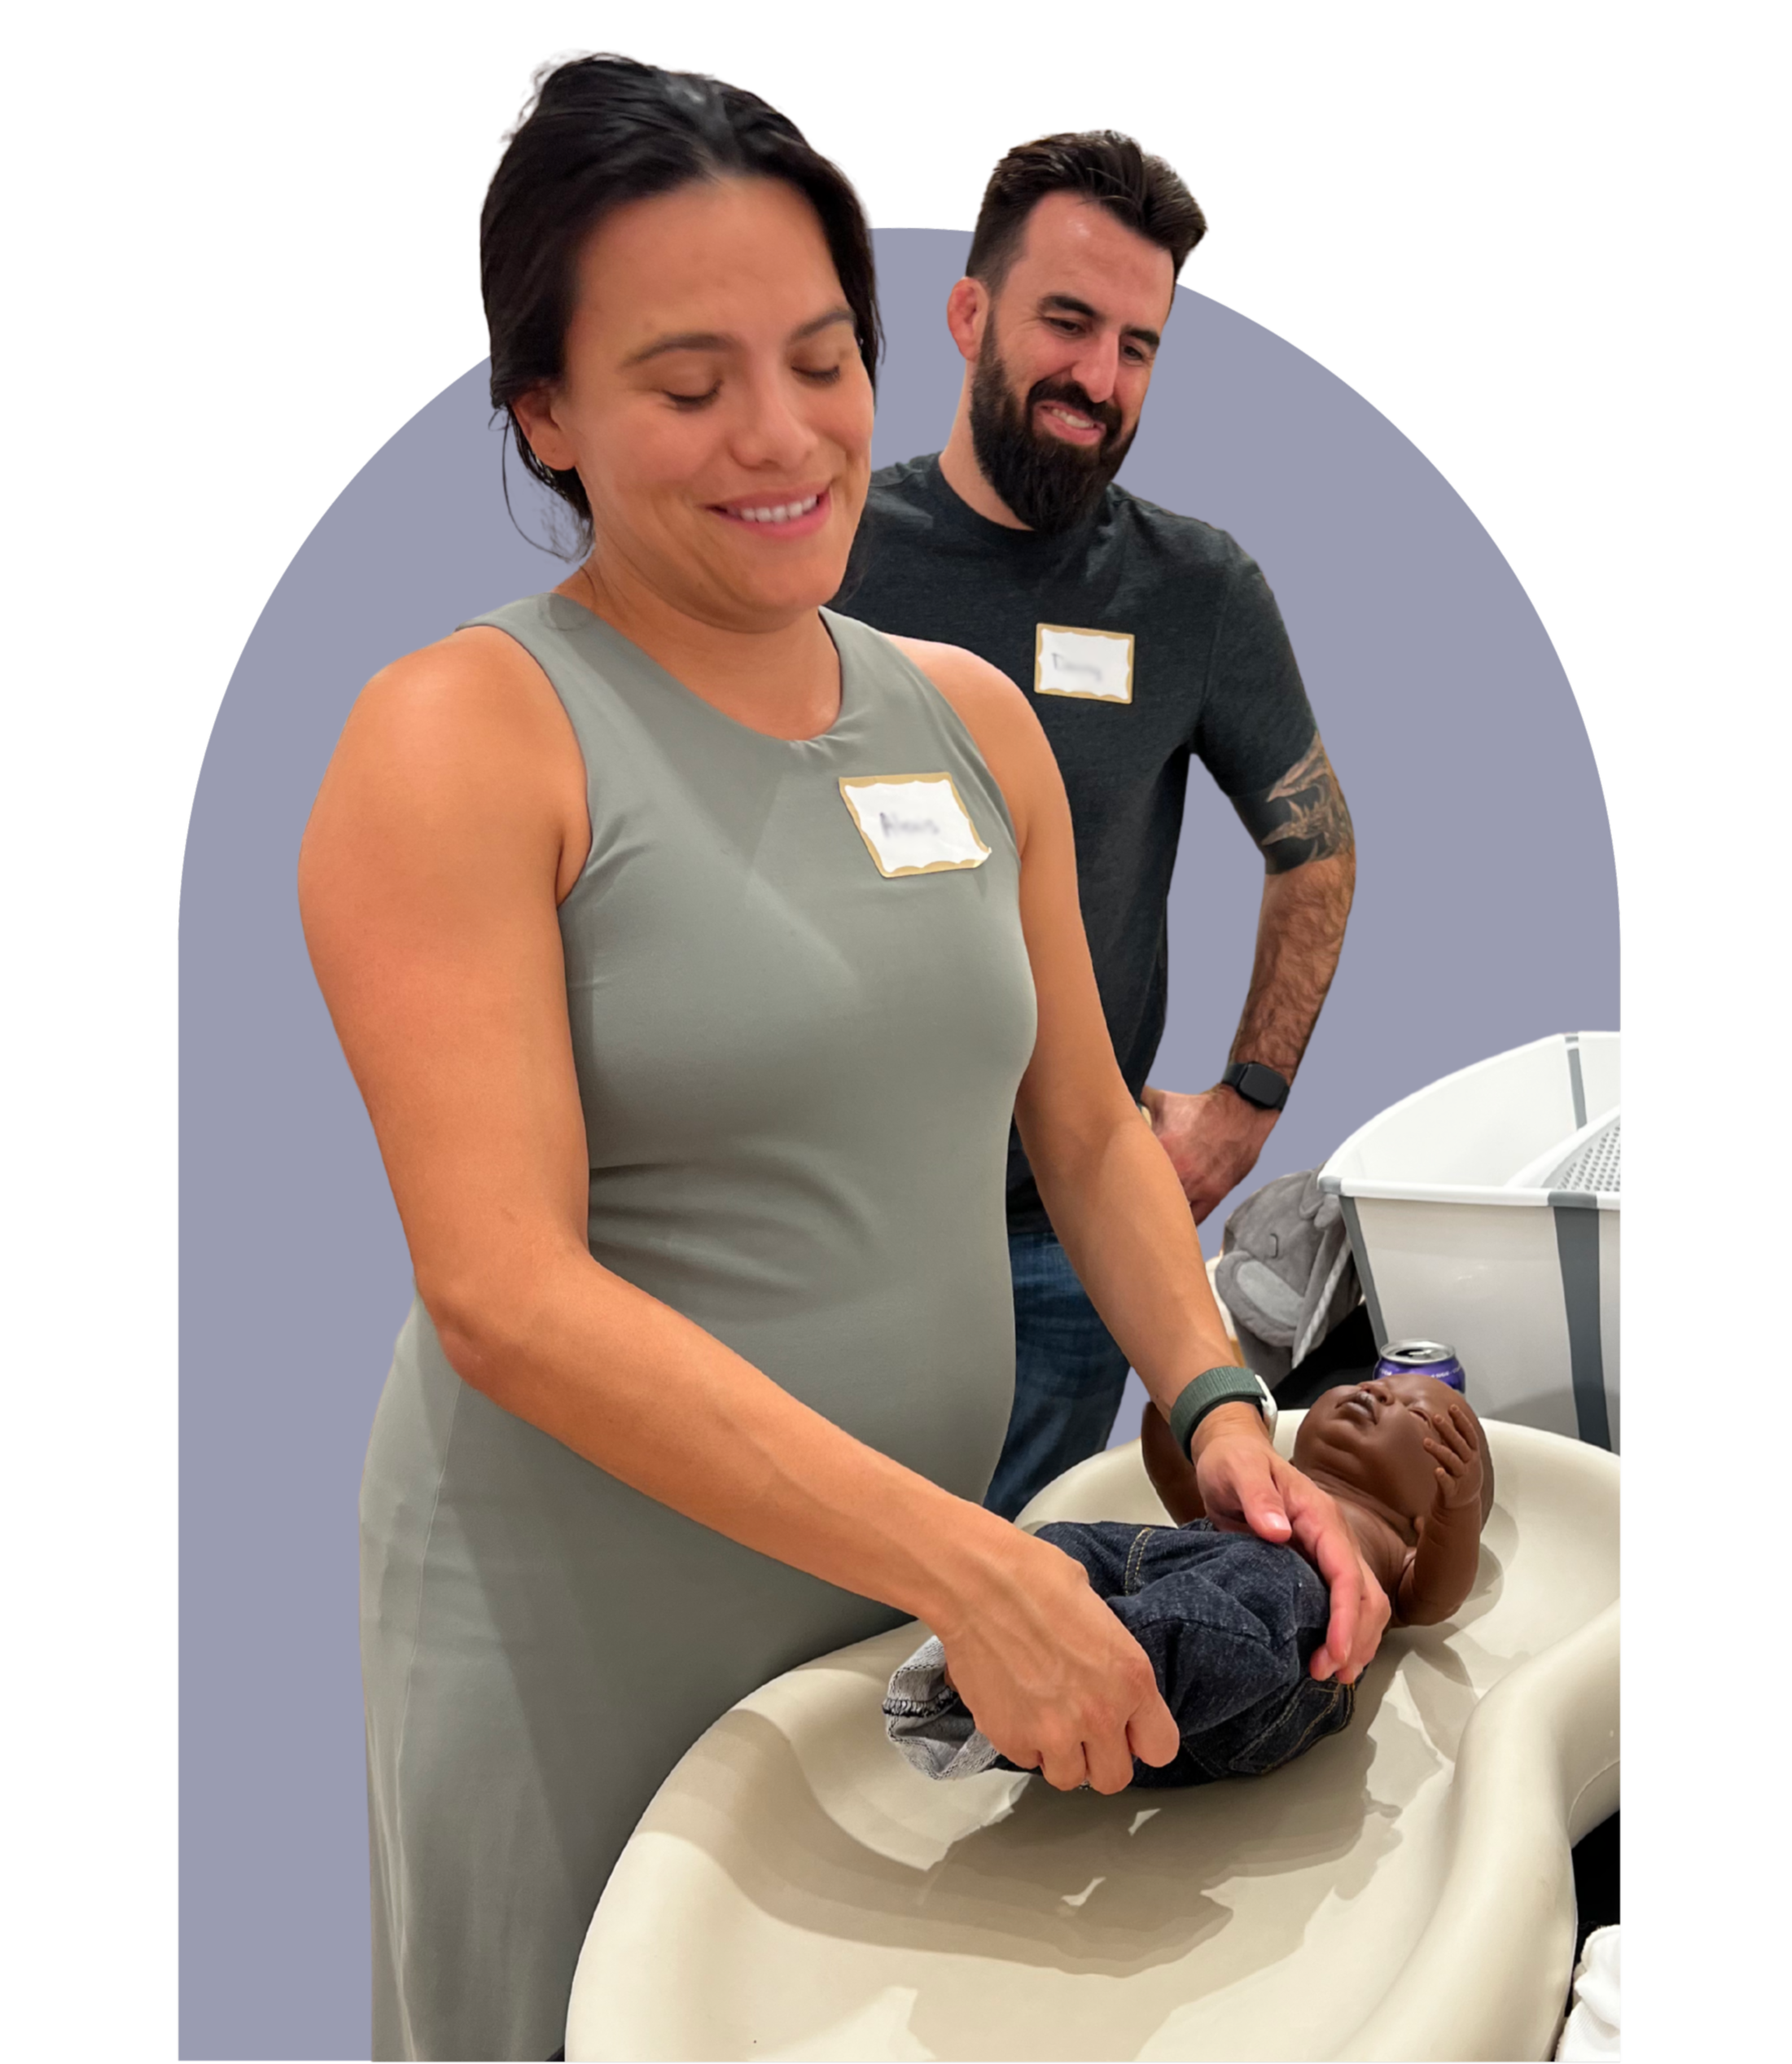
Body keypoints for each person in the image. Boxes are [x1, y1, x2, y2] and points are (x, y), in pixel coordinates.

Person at [296, 55, 1387, 2064]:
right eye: (686, 382)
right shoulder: (462, 734)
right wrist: (974, 1562)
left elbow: (1084, 1127)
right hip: (586, 1619)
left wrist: (1218, 1408)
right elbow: (504, 1294)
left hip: (872, 1596)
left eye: (818, 360)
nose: (779, 434)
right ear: (543, 412)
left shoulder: (968, 721)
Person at [839, 130, 1358, 1520]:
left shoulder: (1194, 591)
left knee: (1022, 1591)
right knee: (816, 1614)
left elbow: (1316, 846)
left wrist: (1245, 1104)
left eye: (1137, 346)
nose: (1100, 379)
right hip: (833, 1233)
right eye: (1066, 323)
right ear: (968, 315)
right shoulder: (823, 553)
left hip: (1068, 1242)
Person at [887, 1373, 1488, 1786]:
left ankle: (1072, 1667)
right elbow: (1184, 1491)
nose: (1376, 1391)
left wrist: (1457, 1508)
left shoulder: (1393, 1554)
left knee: (1272, 1582)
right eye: (1371, 1383)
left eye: (1415, 1413)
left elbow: (1439, 1594)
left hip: (1273, 1687)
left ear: (1422, 1518)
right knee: (1060, 1548)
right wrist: (1177, 1416)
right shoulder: (1266, 1485)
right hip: (1172, 1644)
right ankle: (972, 1686)